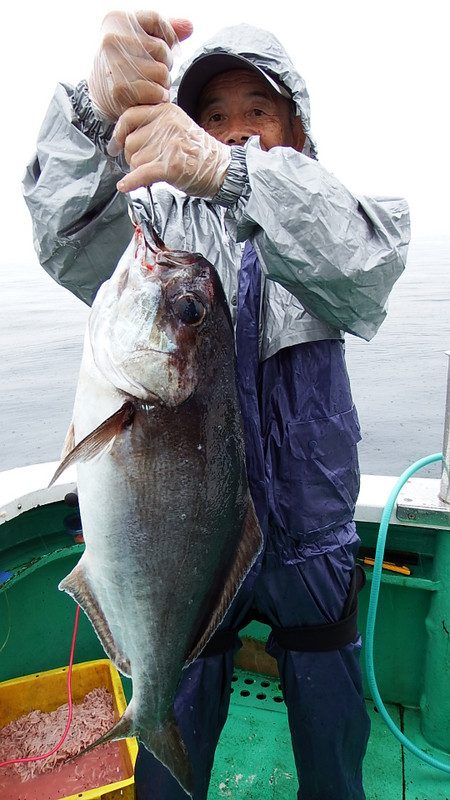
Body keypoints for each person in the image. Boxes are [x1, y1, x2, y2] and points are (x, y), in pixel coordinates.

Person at [23, 11, 410, 800]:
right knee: (175, 719)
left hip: (311, 535)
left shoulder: (320, 213)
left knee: (332, 735)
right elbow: (66, 238)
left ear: (296, 130)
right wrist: (93, 113)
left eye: (257, 114)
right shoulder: (159, 225)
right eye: (215, 118)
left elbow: (369, 268)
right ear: (187, 125)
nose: (235, 134)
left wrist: (234, 177)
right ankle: (159, 739)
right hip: (189, 541)